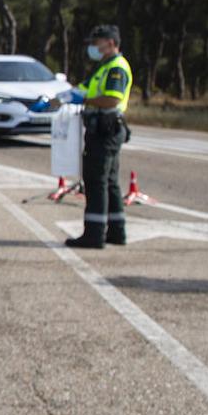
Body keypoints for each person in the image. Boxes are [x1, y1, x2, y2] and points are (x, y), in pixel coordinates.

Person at [52, 25, 133, 249]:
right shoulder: (103, 68)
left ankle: (94, 235)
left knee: (96, 182)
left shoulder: (116, 68)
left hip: (106, 130)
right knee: (109, 182)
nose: (93, 47)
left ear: (110, 42)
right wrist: (56, 99)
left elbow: (111, 99)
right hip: (105, 129)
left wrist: (83, 101)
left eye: (97, 42)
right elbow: (81, 89)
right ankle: (116, 232)